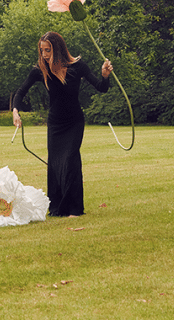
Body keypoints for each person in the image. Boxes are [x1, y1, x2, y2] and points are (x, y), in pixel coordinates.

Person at [13, 31, 113, 218]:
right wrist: (15, 111)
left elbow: (101, 88)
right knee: (55, 164)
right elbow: (20, 92)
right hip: (55, 124)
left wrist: (105, 75)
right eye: (42, 50)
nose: (44, 54)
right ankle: (58, 209)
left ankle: (74, 209)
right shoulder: (40, 70)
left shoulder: (78, 66)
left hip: (74, 122)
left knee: (70, 162)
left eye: (48, 50)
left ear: (57, 49)